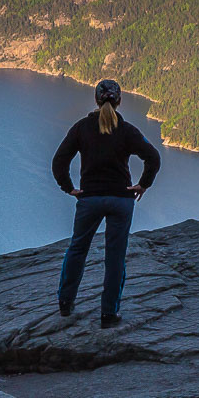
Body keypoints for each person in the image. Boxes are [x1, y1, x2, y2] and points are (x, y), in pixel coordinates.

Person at [51, 78, 161, 328]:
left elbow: (59, 161)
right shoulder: (127, 130)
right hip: (121, 200)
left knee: (77, 249)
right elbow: (153, 158)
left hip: (89, 199)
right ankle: (108, 314)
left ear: (96, 100)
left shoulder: (81, 128)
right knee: (115, 257)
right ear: (119, 101)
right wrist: (143, 184)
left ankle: (66, 304)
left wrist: (69, 188)